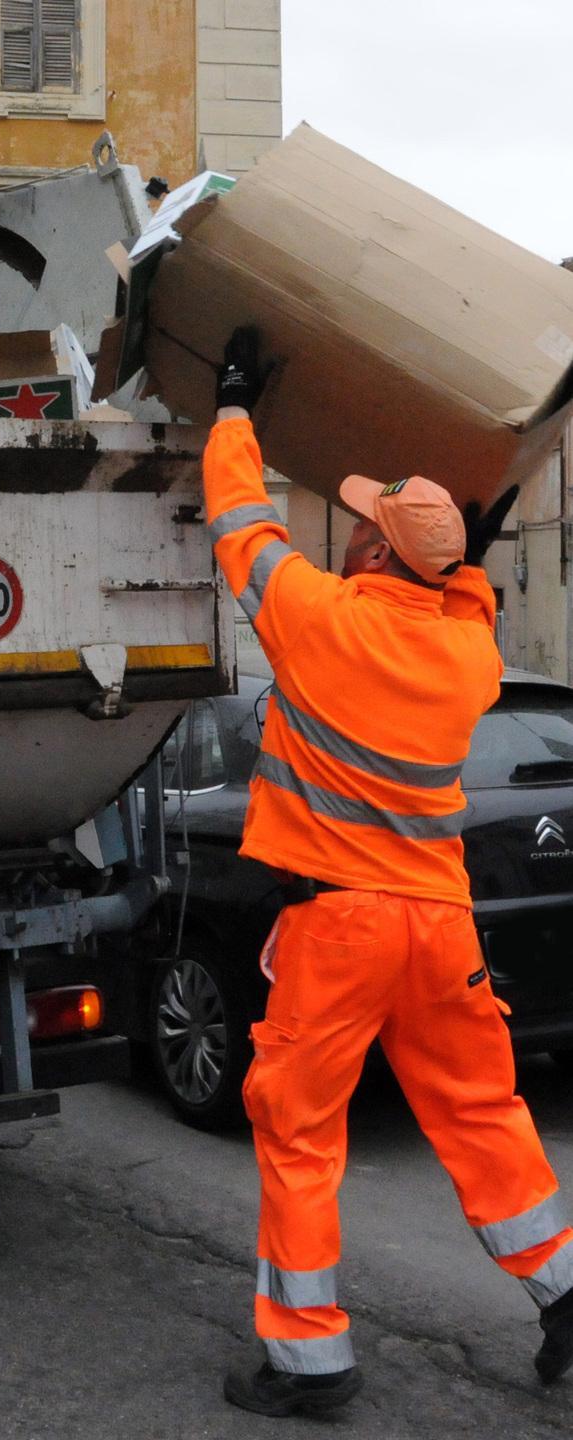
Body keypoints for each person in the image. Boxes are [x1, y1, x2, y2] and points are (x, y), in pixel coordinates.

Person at [204, 326, 573, 1418]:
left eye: (361, 523)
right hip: (438, 921)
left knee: (298, 1128)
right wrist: (455, 567)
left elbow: (240, 524)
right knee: (480, 1112)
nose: (351, 530)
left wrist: (231, 410)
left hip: (342, 927)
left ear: (367, 554)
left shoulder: (315, 621)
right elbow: (465, 603)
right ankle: (562, 1292)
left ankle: (307, 1358)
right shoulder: (464, 657)